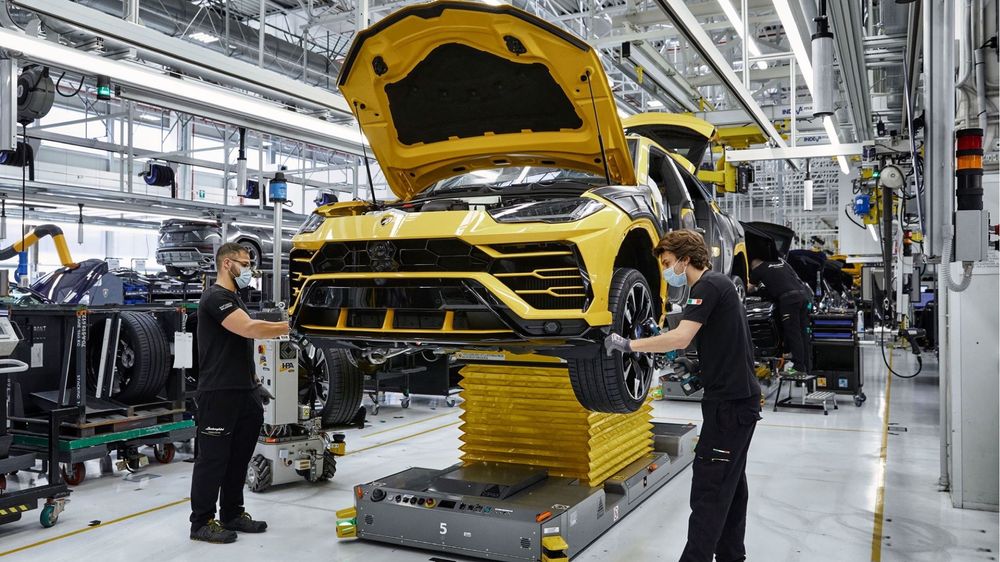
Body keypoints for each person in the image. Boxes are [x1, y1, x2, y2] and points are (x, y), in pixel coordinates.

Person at [605, 229, 761, 562]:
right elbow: (714, 342)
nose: (666, 270)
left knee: (709, 489)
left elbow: (680, 337)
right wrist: (694, 364)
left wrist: (629, 345)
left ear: (685, 259)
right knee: (731, 487)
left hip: (729, 407)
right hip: (736, 403)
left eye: (667, 263)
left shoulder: (708, 286)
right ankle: (732, 556)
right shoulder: (717, 286)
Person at [189, 242, 291, 544]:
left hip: (245, 392)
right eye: (245, 264)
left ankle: (232, 513)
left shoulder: (234, 298)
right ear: (226, 264)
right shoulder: (215, 297)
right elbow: (248, 329)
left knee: (238, 458)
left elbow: (238, 348)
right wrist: (290, 325)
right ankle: (201, 522)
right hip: (218, 393)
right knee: (212, 460)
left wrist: (254, 382)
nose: (249, 270)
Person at [749, 257, 812, 374]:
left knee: (793, 334)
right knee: (803, 333)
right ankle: (806, 368)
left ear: (753, 267)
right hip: (803, 297)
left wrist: (756, 288)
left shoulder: (758, 270)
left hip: (789, 300)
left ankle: (798, 368)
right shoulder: (781, 263)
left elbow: (748, 288)